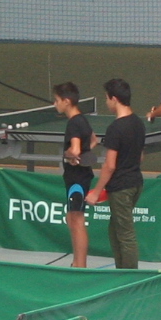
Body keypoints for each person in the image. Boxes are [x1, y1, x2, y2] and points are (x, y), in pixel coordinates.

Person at [86, 79, 148, 270]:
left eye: (106, 98)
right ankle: (120, 271)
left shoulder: (116, 128)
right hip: (136, 183)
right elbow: (140, 157)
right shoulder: (138, 123)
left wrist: (97, 191)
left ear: (114, 99)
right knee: (115, 230)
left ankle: (129, 277)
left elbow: (110, 165)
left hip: (122, 189)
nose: (106, 102)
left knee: (125, 234)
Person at [53, 83, 94, 268]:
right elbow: (93, 140)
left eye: (57, 100)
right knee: (72, 218)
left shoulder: (74, 123)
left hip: (77, 179)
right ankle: (77, 263)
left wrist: (68, 154)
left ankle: (80, 265)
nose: (55, 104)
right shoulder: (82, 120)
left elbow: (75, 150)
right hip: (79, 177)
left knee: (76, 220)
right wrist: (83, 153)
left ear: (67, 101)